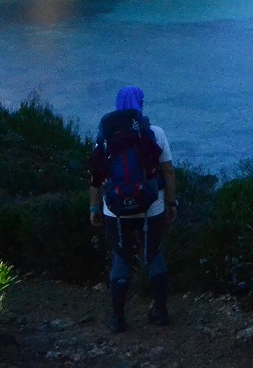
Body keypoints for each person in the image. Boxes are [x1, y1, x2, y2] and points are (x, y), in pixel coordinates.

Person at [89, 85, 178, 332]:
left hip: (115, 212)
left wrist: (94, 208)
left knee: (122, 258)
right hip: (152, 207)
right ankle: (160, 312)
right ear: (140, 104)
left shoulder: (104, 137)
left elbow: (96, 177)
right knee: (153, 255)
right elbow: (168, 171)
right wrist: (172, 203)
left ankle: (117, 318)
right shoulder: (155, 133)